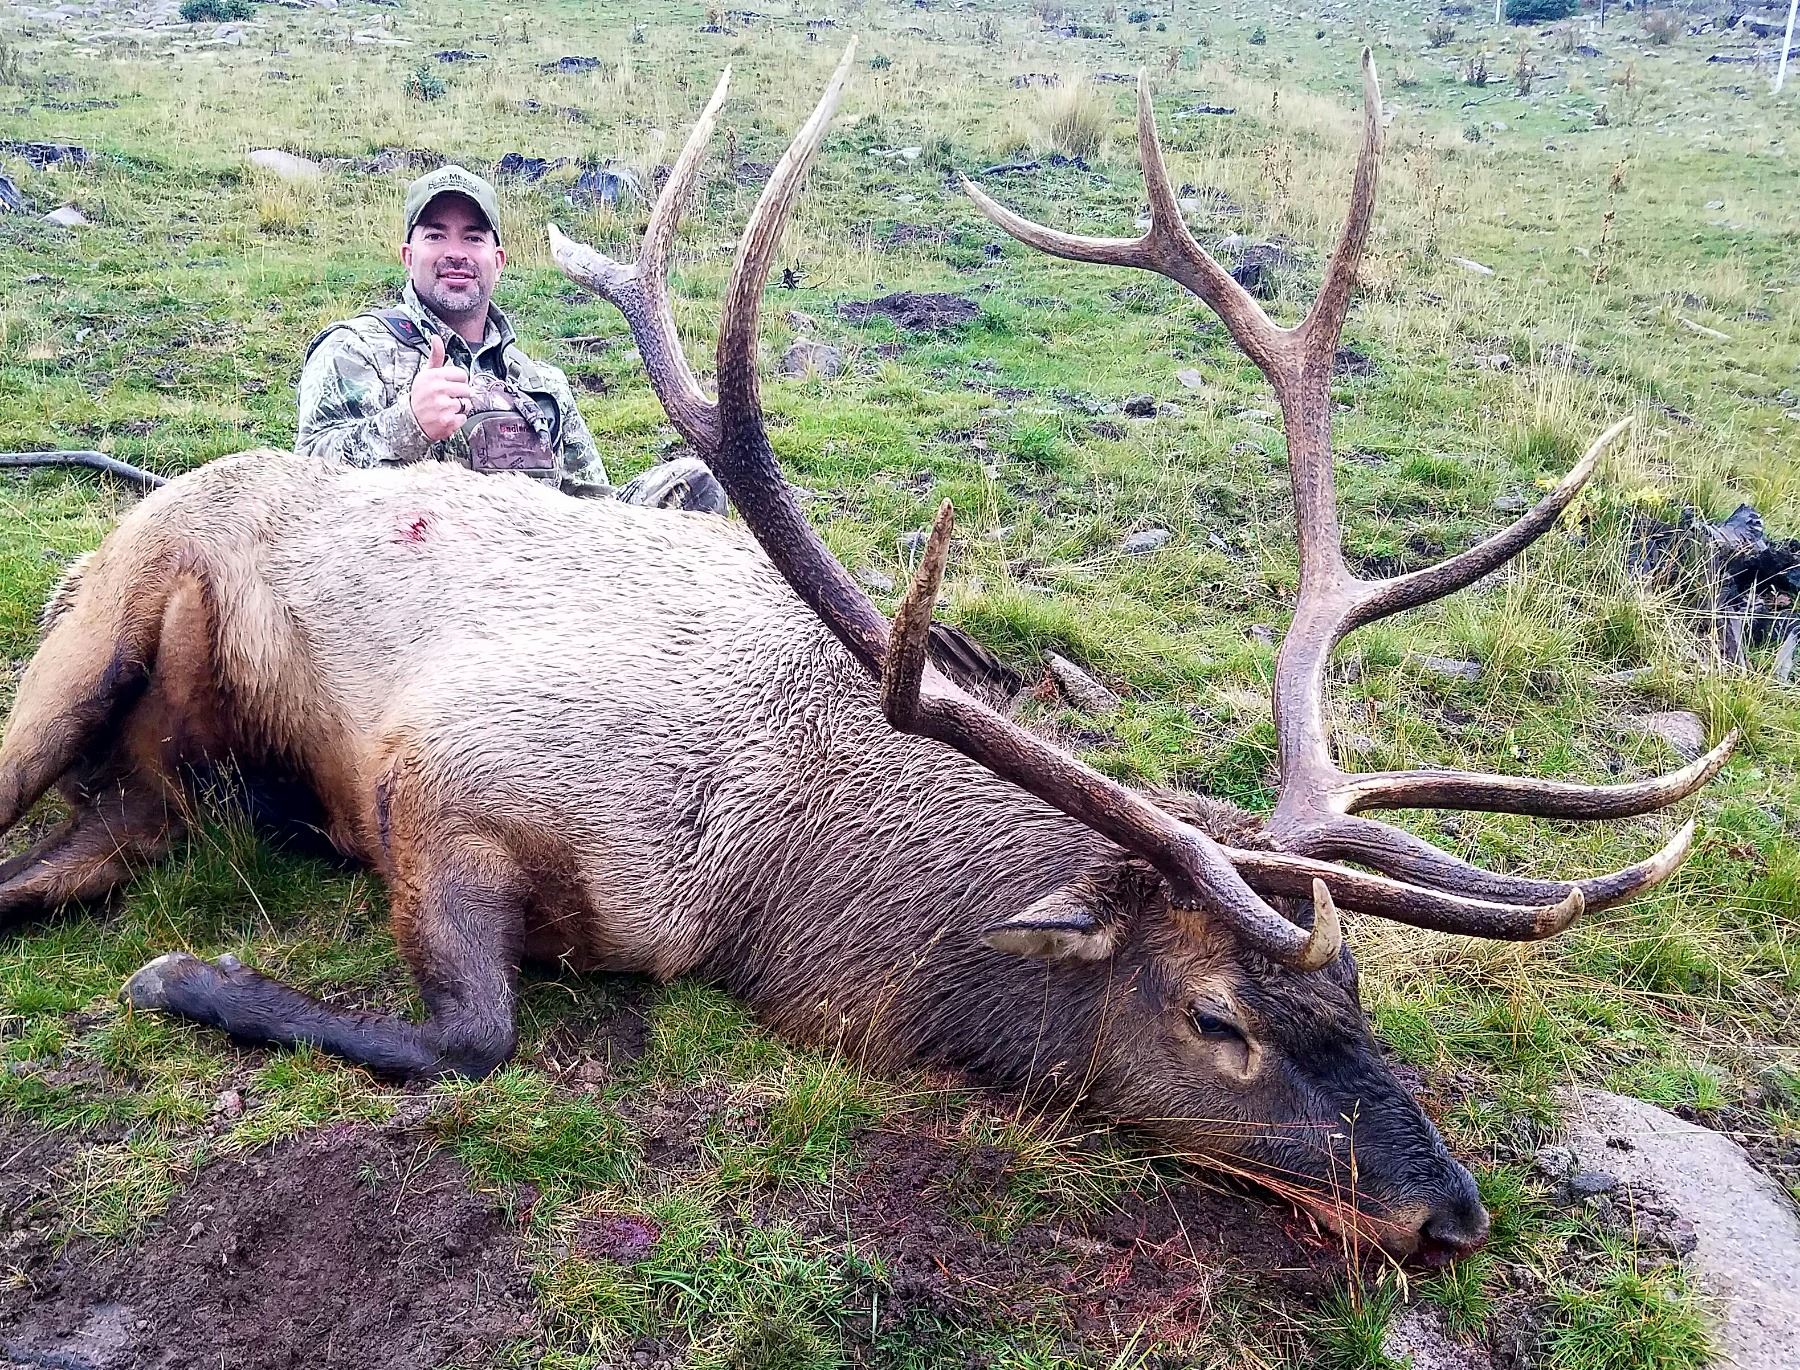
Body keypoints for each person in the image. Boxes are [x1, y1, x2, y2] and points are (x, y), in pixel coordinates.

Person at [296, 164, 724, 512]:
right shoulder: (356, 350)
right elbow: (306, 489)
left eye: (473, 238)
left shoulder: (542, 383)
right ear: (408, 256)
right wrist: (407, 423)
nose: (456, 253)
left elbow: (592, 504)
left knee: (692, 483)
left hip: (535, 573)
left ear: (497, 261)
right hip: (414, 571)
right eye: (435, 235)